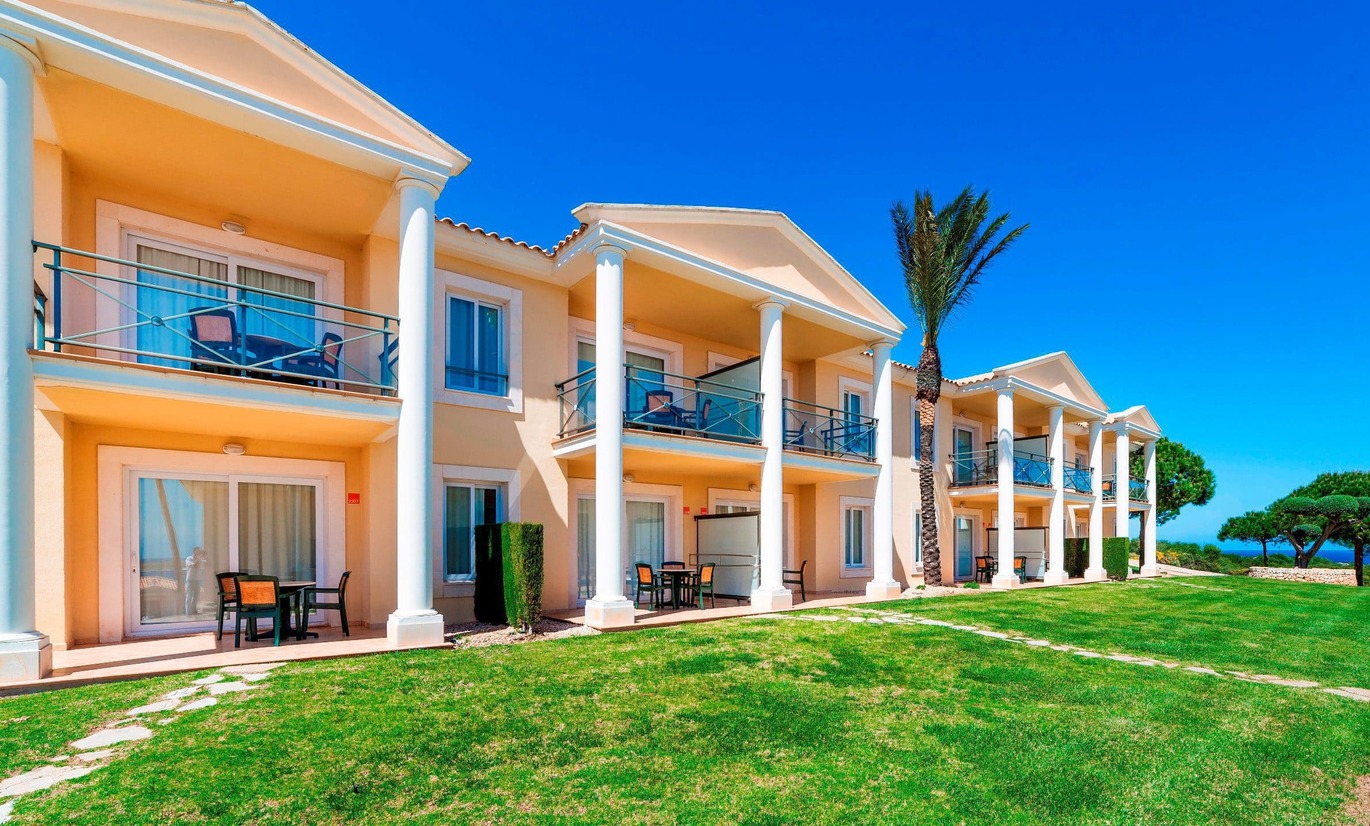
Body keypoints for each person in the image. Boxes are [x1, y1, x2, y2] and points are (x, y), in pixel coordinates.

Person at [183, 546, 208, 616]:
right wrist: (198, 559)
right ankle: (188, 612)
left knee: (196, 596)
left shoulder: (200, 560)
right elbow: (193, 565)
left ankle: (194, 610)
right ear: (193, 552)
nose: (198, 553)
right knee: (189, 596)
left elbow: (206, 563)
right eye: (196, 552)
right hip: (190, 580)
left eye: (198, 552)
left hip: (197, 580)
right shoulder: (189, 559)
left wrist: (202, 558)